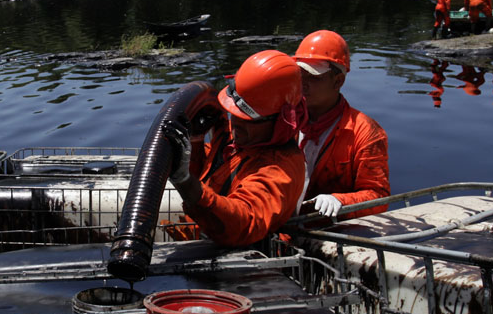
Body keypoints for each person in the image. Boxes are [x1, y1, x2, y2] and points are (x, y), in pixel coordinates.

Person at [165, 50, 307, 247]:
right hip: (204, 234)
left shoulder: (280, 169)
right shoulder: (242, 138)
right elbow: (210, 173)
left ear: (281, 121)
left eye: (247, 118)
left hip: (245, 262)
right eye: (234, 112)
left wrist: (184, 180)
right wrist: (196, 141)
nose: (236, 123)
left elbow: (242, 223)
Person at [293, 30, 389, 219]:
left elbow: (379, 197)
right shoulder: (283, 120)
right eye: (300, 74)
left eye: (313, 77)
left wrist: (340, 201)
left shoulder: (366, 132)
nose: (303, 83)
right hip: (283, 227)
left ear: (338, 81)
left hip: (329, 230)